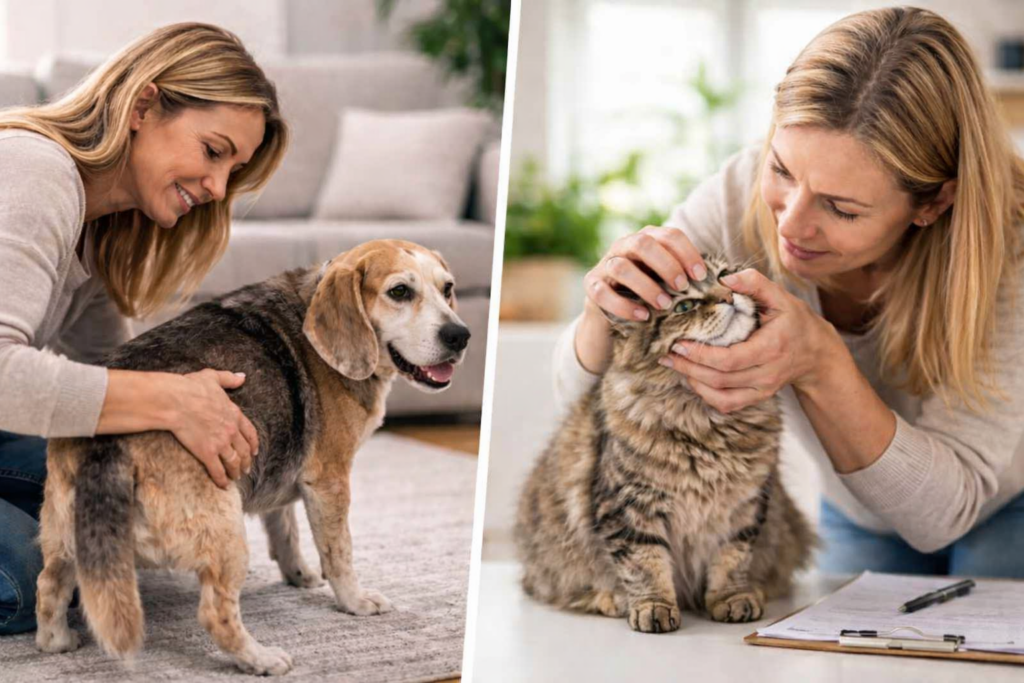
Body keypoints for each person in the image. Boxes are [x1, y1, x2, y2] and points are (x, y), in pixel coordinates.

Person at [555, 7, 1024, 578]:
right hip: (861, 504)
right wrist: (602, 315)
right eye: (782, 170)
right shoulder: (736, 195)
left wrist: (821, 363)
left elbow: (943, 514)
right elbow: (580, 410)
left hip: (1005, 500)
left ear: (933, 203)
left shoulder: (1010, 245)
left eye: (841, 208)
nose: (790, 227)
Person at [0, 22, 289, 634]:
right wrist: (174, 398)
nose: (216, 189)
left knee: (106, 523)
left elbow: (114, 373)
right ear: (143, 105)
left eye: (233, 171)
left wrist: (197, 418)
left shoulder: (102, 226)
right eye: (214, 151)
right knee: (32, 582)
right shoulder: (32, 169)